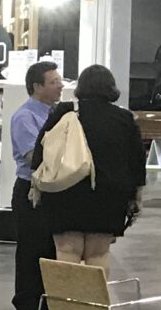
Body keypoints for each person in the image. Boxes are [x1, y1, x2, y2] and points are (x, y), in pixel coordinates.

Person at [31, 63, 147, 267]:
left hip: (65, 190)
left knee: (66, 251)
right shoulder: (124, 119)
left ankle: (68, 290)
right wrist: (135, 195)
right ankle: (96, 290)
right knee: (99, 254)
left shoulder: (64, 112)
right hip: (108, 194)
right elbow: (137, 161)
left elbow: (41, 150)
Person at [7, 60, 64, 310]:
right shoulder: (25, 117)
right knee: (31, 248)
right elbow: (33, 156)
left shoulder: (58, 115)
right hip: (31, 190)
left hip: (53, 189)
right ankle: (28, 304)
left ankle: (49, 302)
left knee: (50, 248)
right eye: (54, 82)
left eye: (59, 81)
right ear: (37, 86)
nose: (60, 86)